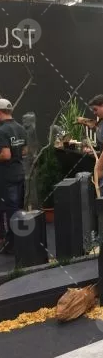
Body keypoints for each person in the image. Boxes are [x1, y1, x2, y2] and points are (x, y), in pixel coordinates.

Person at [0, 99, 27, 253]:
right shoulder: (20, 128)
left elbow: (5, 155)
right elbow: (24, 151)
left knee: (10, 210)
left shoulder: (2, 130)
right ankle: (21, 241)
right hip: (19, 173)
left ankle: (12, 245)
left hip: (7, 176)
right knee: (18, 208)